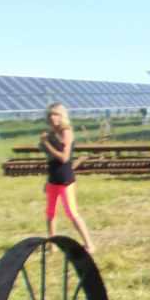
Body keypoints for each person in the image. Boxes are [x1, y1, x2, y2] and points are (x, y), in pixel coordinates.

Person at [39, 103, 95, 253]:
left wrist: (46, 143)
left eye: (56, 114)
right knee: (50, 213)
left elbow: (64, 158)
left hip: (65, 179)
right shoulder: (50, 133)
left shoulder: (66, 132)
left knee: (72, 213)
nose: (52, 117)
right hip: (53, 178)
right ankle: (51, 244)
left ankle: (89, 244)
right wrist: (47, 180)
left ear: (62, 116)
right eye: (50, 114)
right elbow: (51, 159)